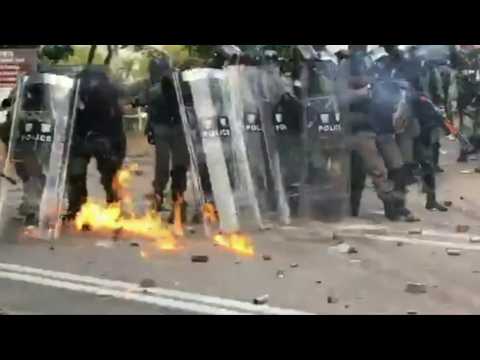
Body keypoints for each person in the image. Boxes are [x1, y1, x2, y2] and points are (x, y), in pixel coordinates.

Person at [336, 45, 407, 221]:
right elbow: (340, 96)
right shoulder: (345, 66)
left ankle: (396, 207)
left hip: (380, 125)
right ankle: (390, 205)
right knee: (377, 171)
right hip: (358, 127)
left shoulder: (372, 62)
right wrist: (364, 92)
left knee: (397, 165)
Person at [64, 67, 126, 220]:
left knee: (107, 176)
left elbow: (117, 121)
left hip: (103, 139)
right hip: (84, 139)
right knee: (77, 176)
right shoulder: (75, 94)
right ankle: (77, 208)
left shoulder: (110, 94)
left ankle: (112, 205)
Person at [139, 55, 190, 223]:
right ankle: (162, 197)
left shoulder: (177, 84)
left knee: (177, 168)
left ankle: (175, 202)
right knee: (167, 167)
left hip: (176, 129)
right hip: (165, 129)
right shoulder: (155, 87)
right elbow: (145, 103)